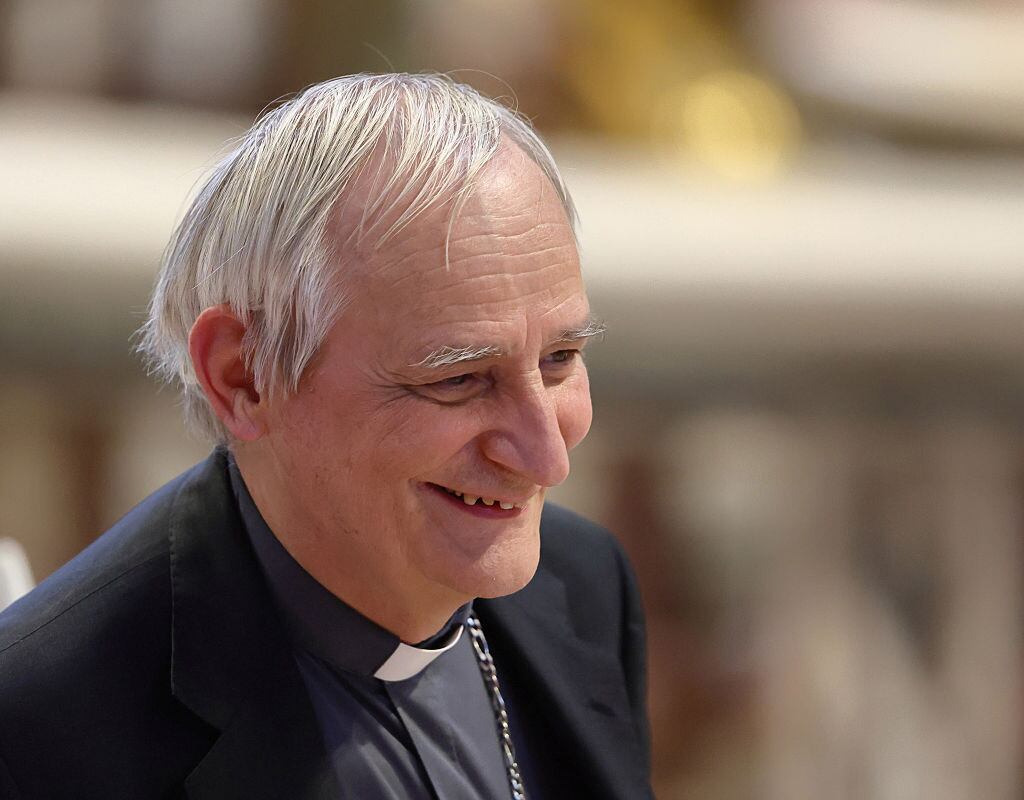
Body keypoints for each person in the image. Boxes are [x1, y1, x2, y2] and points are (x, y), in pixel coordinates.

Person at [0, 74, 652, 799]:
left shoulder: (586, 585)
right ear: (244, 375)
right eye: (459, 379)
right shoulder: (38, 733)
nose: (548, 457)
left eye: (561, 360)